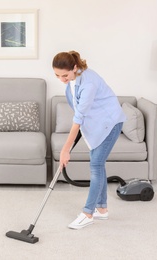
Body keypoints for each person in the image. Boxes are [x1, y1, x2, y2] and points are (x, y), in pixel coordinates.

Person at [52, 51, 126, 230]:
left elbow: (78, 117)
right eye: (57, 75)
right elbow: (79, 111)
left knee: (96, 166)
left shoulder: (89, 82)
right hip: (96, 126)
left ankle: (87, 213)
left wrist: (65, 150)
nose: (62, 79)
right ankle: (102, 209)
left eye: (65, 75)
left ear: (75, 68)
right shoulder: (71, 82)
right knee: (98, 165)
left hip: (109, 123)